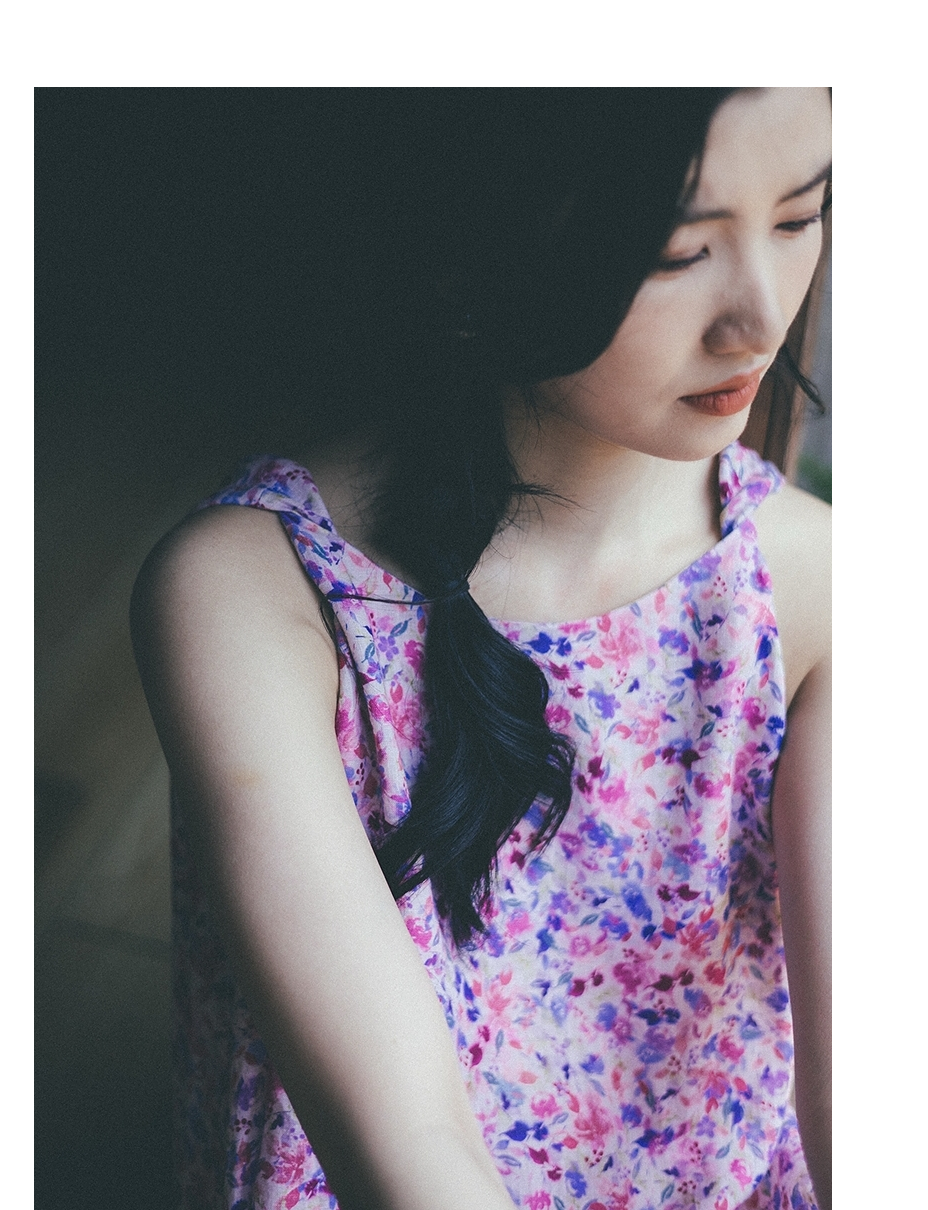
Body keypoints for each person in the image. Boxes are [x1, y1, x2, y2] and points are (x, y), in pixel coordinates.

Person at [131, 88, 832, 1210]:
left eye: (800, 217)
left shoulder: (815, 584)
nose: (758, 318)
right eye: (676, 251)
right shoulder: (258, 590)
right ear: (485, 232)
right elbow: (408, 1145)